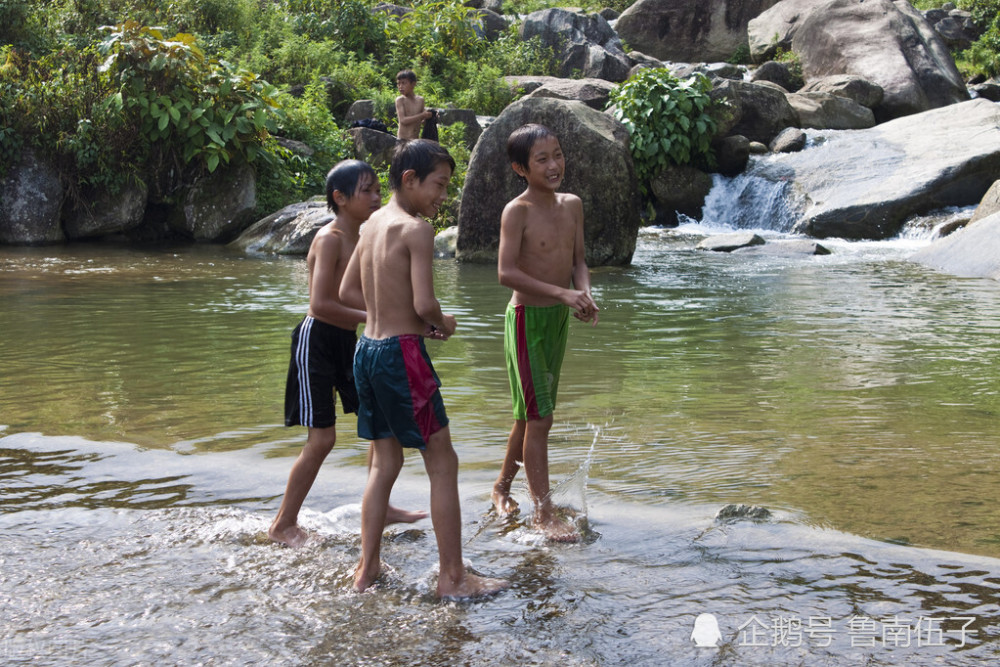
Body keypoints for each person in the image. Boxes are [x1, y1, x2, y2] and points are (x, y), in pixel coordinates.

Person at [340, 139, 508, 599]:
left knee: (386, 462)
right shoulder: (415, 230)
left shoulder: (372, 222)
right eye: (439, 185)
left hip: (367, 351)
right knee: (442, 461)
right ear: (410, 179)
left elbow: (348, 291)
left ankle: (367, 568)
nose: (443, 196)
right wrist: (440, 323)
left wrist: (403, 319)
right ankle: (453, 577)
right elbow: (425, 303)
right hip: (401, 357)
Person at [269, 159, 426, 549]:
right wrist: (378, 314)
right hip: (317, 343)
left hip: (356, 343)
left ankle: (381, 505)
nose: (377, 197)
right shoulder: (331, 238)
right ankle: (283, 524)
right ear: (340, 198)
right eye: (368, 191)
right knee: (322, 440)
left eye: (378, 190)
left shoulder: (368, 235)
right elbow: (321, 304)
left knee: (381, 427)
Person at [490, 123, 599, 543]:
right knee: (541, 417)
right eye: (542, 159)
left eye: (558, 154)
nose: (554, 165)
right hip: (526, 321)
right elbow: (506, 272)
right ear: (521, 168)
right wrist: (562, 294)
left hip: (557, 320)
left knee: (528, 414)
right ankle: (543, 513)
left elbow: (579, 263)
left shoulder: (572, 204)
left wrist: (583, 294)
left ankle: (501, 489)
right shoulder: (516, 211)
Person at [394, 69, 432, 140]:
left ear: (413, 84)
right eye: (398, 84)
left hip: (415, 140)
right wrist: (422, 115)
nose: (400, 86)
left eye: (403, 83)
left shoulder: (420, 100)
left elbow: (422, 121)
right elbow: (403, 120)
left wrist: (430, 117)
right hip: (402, 139)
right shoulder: (400, 100)